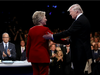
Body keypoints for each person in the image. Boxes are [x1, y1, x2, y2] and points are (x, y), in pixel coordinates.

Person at [43, 4, 92, 75]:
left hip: (79, 53)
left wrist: (52, 36)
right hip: (81, 52)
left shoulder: (80, 20)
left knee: (78, 71)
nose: (69, 14)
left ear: (77, 11)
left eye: (71, 12)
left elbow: (68, 32)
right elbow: (79, 35)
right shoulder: (83, 19)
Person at [26, 11, 53, 75]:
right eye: (45, 18)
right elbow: (54, 38)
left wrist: (27, 56)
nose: (46, 19)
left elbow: (28, 45)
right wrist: (66, 41)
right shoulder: (45, 29)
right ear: (40, 20)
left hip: (33, 57)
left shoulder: (31, 30)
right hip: (43, 57)